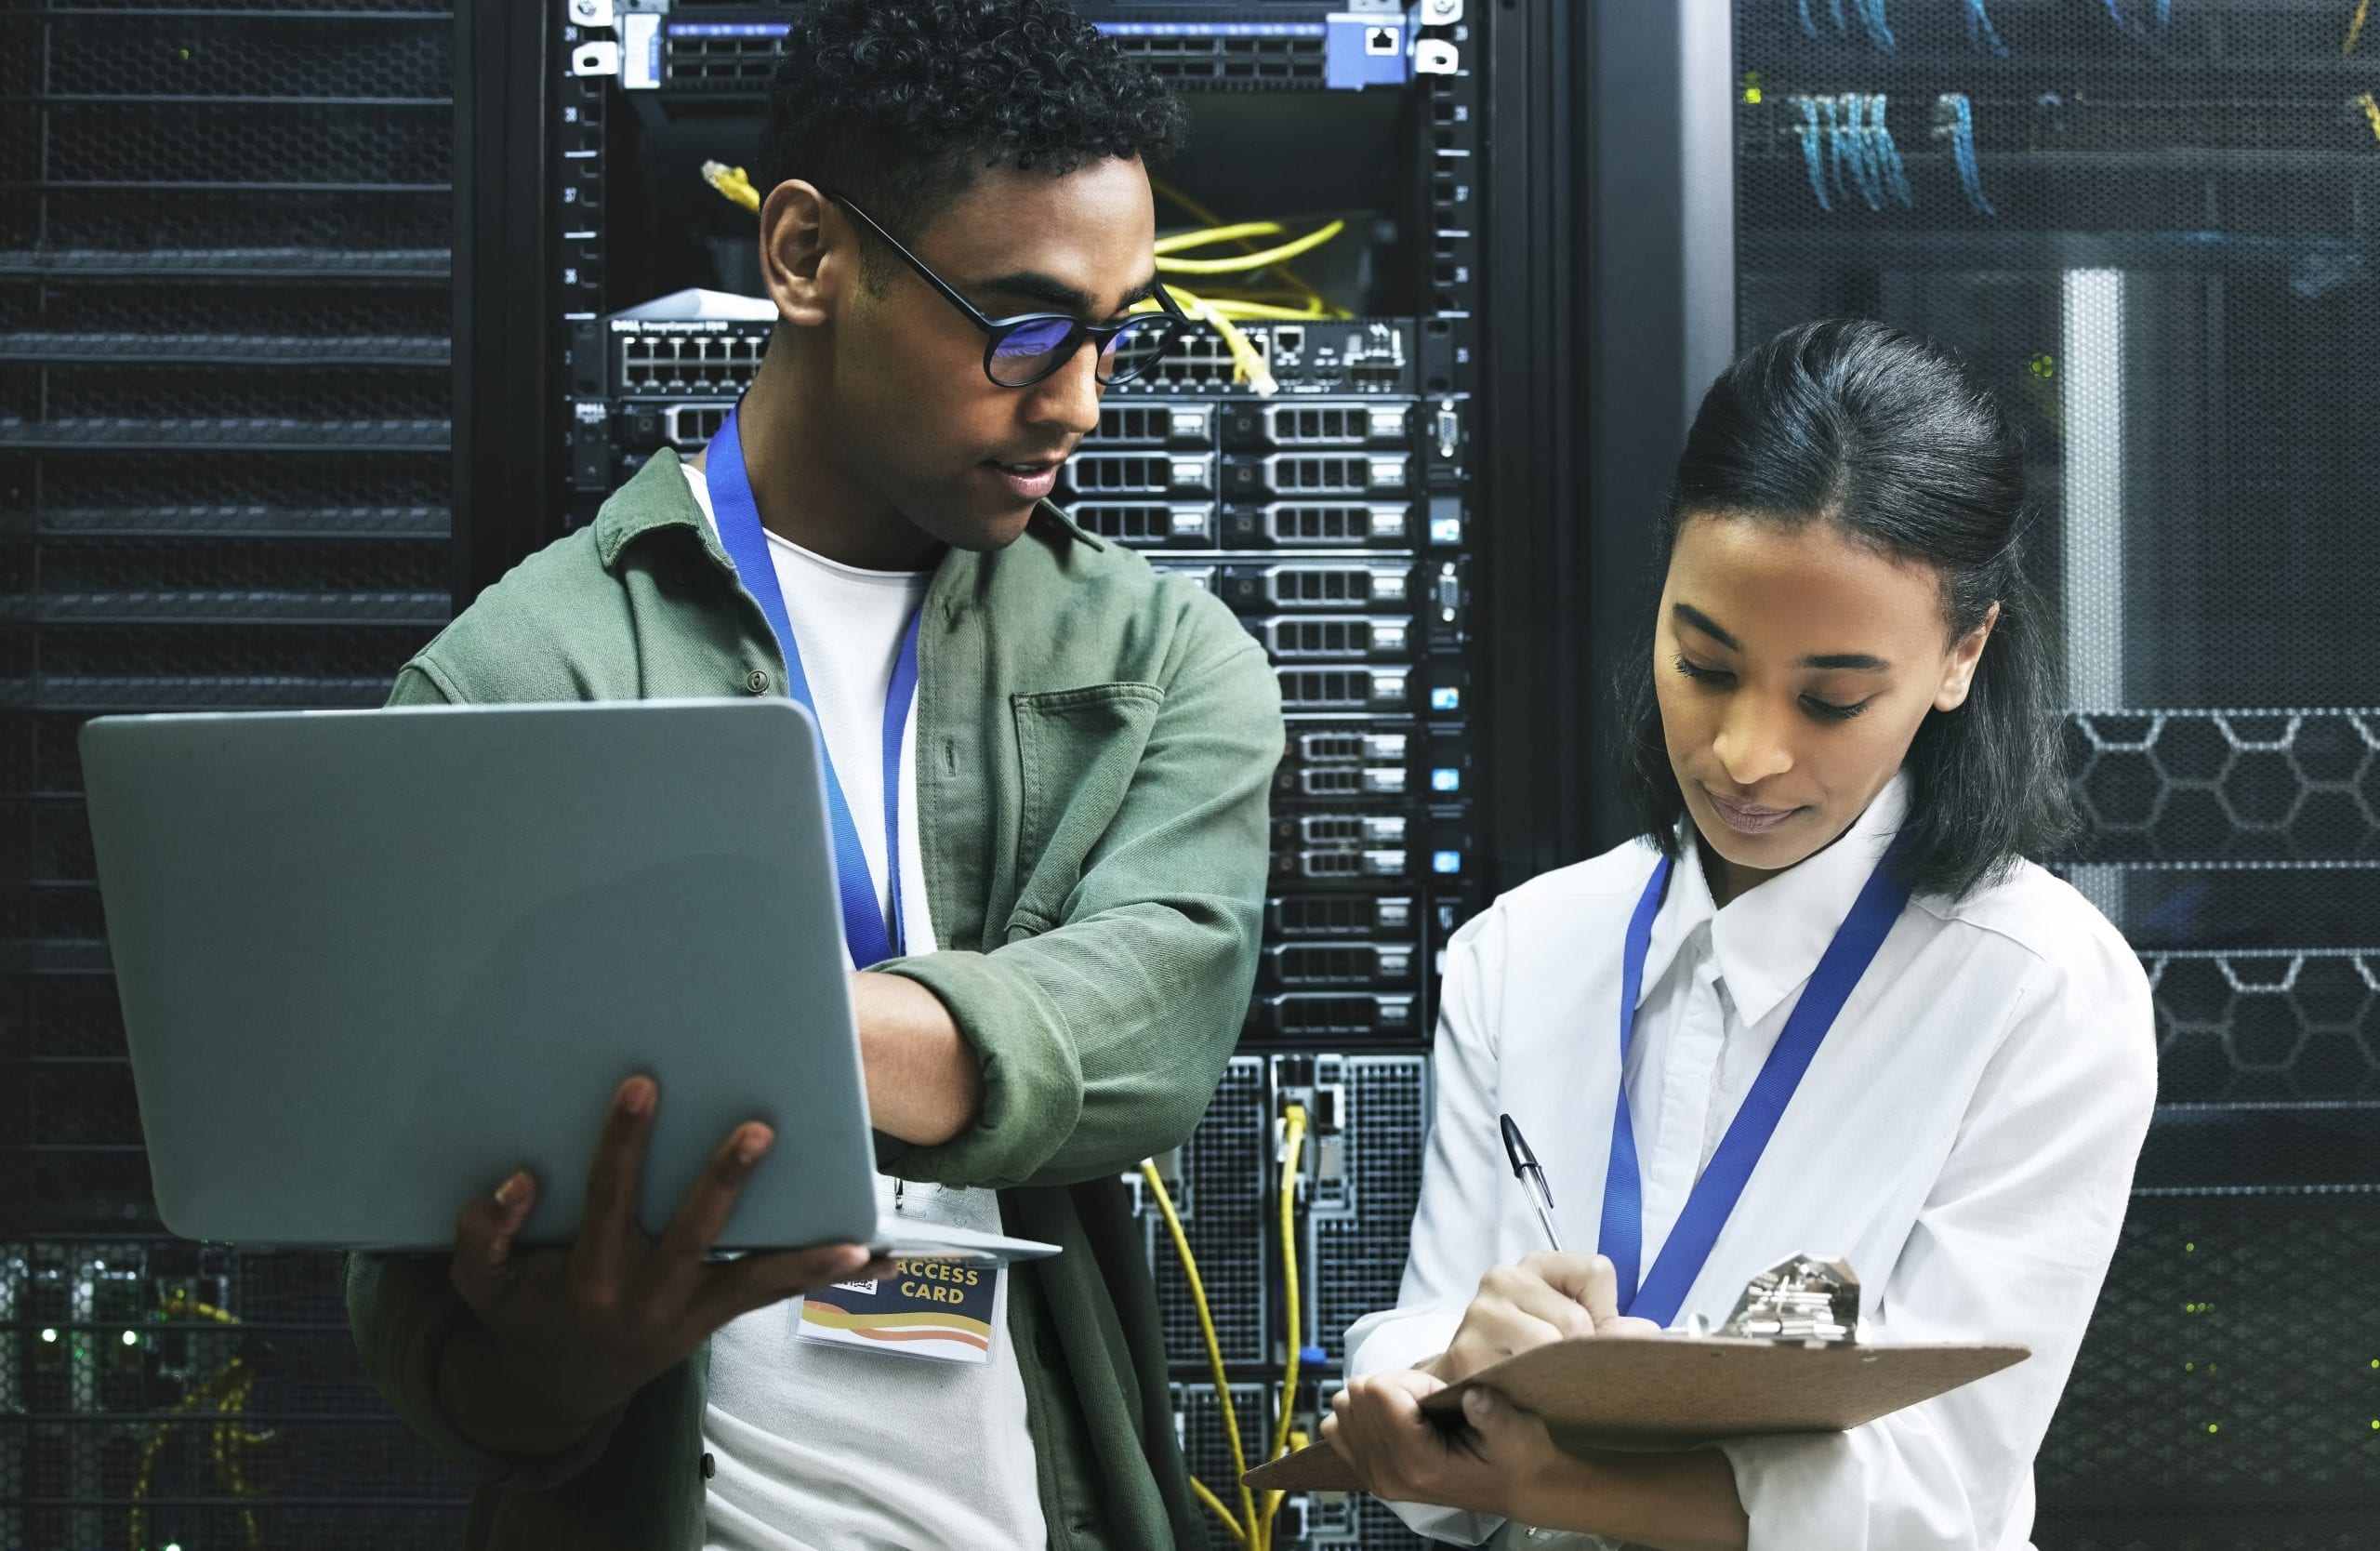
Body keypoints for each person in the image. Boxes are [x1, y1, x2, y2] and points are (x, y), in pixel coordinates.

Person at [344, 5, 1284, 1548]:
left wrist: (669, 1032)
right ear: (802, 258)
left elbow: (1154, 1026)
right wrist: (561, 1366)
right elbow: (409, 1307)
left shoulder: (1164, 661)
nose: (1078, 404)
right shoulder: (513, 681)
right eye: (1024, 324)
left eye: (1116, 331)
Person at [1324, 319, 2157, 1551]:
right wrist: (1446, 1362)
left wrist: (1540, 1482)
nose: (1744, 754)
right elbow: (1425, 1422)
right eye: (1704, 662)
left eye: (1833, 698)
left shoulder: (2040, 990)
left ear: (1961, 657)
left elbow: (1934, 1497)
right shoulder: (1525, 954)